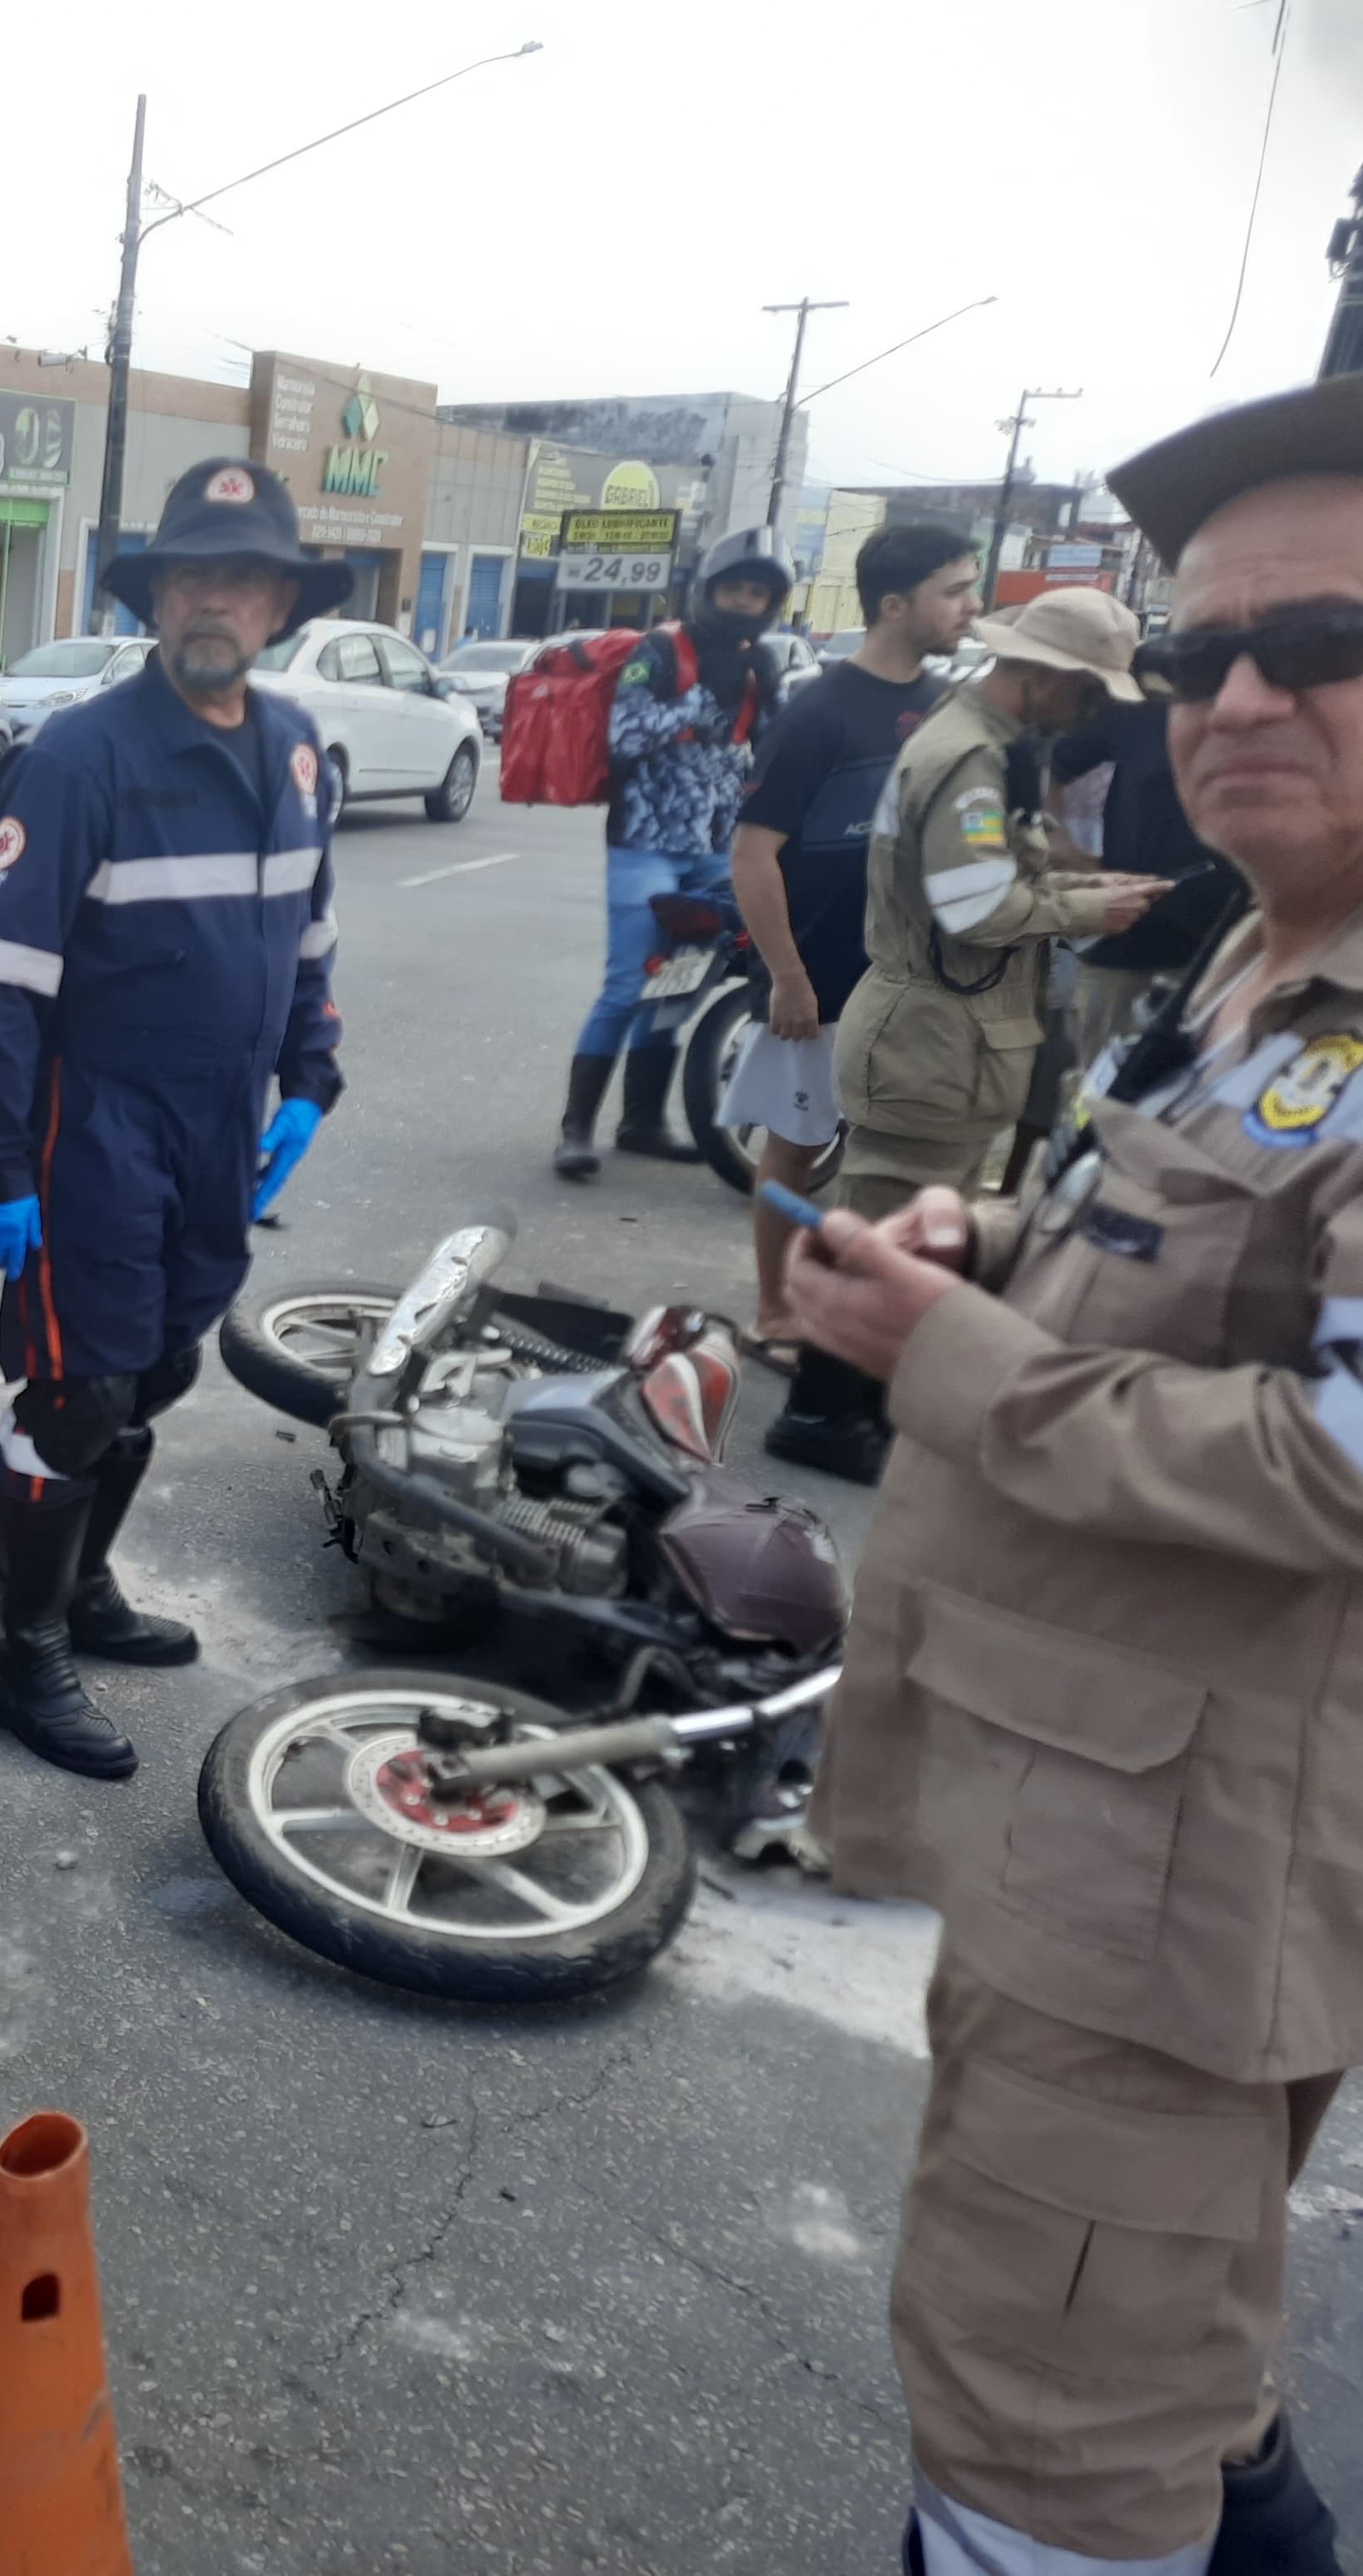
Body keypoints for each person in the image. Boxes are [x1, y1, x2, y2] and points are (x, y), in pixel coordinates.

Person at [789, 369, 1363, 2576]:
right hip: (1091, 1815)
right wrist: (998, 1241)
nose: (1230, 698)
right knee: (1174, 2368)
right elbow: (1179, 1261)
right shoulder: (1259, 949)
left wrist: (956, 1359)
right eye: (1199, 652)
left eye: (1316, 648)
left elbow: (1331, 1464)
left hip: (1181, 1871)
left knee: (1046, 2422)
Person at [0, 457, 347, 1779]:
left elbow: (309, 930)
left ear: (280, 602)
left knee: (163, 1367)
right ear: (154, 599)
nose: (212, 601)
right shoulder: (77, 762)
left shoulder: (293, 748)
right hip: (93, 1130)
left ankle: (84, 1589)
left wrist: (311, 1071)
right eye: (189, 577)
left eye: (240, 577)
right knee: (76, 1389)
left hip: (221, 1125)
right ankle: (21, 1654)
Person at [788, 589, 1174, 1483]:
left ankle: (855, 1407)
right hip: (931, 1028)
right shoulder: (968, 757)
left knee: (902, 1224)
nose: (1090, 714)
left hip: (948, 1030)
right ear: (1043, 678)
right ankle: (820, 1414)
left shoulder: (991, 747)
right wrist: (1092, 908)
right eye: (1086, 693)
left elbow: (993, 877)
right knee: (879, 1230)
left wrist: (1086, 886)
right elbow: (970, 908)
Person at [723, 523, 981, 1471]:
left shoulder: (948, 708)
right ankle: (773, 1308)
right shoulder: (819, 711)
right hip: (820, 979)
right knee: (793, 1146)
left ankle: (856, 1318)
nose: (968, 608)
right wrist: (787, 975)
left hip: (907, 984)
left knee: (881, 1163)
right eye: (953, 591)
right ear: (892, 604)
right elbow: (752, 854)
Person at [554, 526, 798, 1178]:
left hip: (718, 846)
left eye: (758, 591)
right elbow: (624, 734)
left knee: (681, 985)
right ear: (709, 589)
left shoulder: (762, 662)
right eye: (735, 588)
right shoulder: (660, 651)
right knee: (627, 983)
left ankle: (642, 1121)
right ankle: (575, 1129)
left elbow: (772, 750)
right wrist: (697, 702)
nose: (746, 601)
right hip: (645, 844)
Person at [1049, 690, 1247, 1070]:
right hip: (1130, 949)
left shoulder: (1280, 707)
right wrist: (1059, 844)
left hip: (1233, 952)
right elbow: (1050, 765)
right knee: (1101, 1102)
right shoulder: (1141, 708)